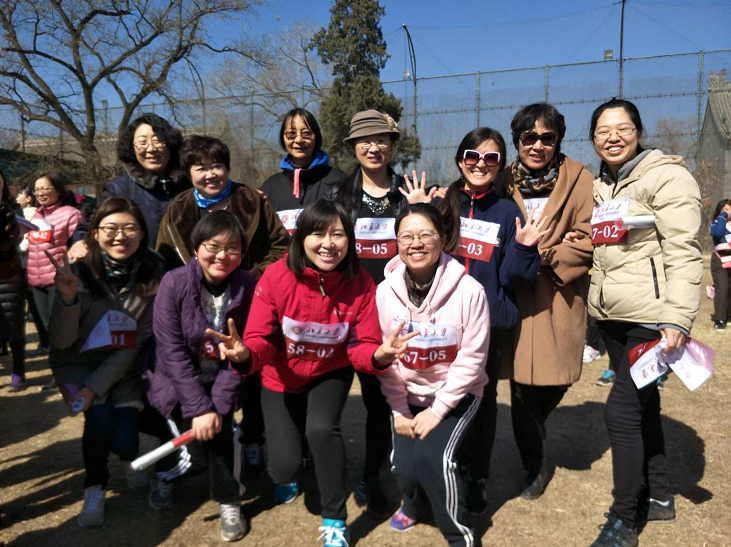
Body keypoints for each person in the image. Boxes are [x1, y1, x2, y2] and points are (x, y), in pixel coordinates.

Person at [209, 200, 418, 547]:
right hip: (280, 377)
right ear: (301, 237)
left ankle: (335, 519)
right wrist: (245, 354)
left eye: (338, 234)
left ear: (350, 240)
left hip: (329, 372)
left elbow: (361, 346)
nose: (328, 244)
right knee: (284, 468)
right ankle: (296, 461)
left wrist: (378, 355)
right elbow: (261, 339)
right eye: (318, 233)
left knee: (321, 429)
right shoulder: (276, 276)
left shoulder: (361, 282)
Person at [586, 98, 702, 547]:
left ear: (638, 131)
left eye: (623, 128)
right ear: (593, 138)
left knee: (620, 411)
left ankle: (624, 518)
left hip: (651, 320)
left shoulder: (667, 176)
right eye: (602, 131)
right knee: (643, 408)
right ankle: (659, 497)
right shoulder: (599, 184)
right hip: (613, 317)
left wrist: (677, 317)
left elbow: (683, 250)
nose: (612, 137)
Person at [326, 109, 439, 517]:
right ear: (353, 147)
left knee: (381, 404)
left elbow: (432, 245)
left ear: (392, 145)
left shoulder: (408, 193)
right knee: (329, 399)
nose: (373, 147)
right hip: (347, 311)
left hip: (396, 316)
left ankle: (372, 476)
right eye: (364, 141)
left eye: (381, 140)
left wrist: (423, 211)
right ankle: (315, 467)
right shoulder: (337, 195)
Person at [155, 134, 288, 478]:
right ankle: (207, 437)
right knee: (198, 371)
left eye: (217, 165)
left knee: (251, 370)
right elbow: (165, 256)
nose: (210, 174)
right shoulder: (178, 209)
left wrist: (255, 275)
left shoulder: (251, 200)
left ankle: (254, 438)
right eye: (200, 167)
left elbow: (281, 245)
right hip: (196, 304)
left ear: (227, 168)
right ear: (188, 173)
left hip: (250, 299)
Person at [437, 127, 544, 513]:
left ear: (500, 165)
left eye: (491, 158)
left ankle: (476, 477)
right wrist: (416, 211)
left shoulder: (508, 211)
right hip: (443, 321)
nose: (480, 164)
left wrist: (525, 247)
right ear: (460, 160)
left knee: (482, 402)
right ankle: (446, 465)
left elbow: (514, 278)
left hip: (488, 324)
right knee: (443, 396)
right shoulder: (442, 205)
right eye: (472, 155)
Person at [376, 203, 489, 546]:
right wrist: (399, 410)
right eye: (407, 236)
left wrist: (438, 411)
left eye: (426, 235)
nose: (416, 243)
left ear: (442, 238)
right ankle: (414, 504)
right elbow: (386, 358)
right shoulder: (384, 292)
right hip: (407, 394)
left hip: (457, 393)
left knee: (433, 460)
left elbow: (472, 360)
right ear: (397, 242)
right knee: (404, 467)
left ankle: (459, 535)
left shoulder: (470, 291)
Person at [46, 197, 163, 527]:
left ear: (142, 233)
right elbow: (61, 342)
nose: (120, 236)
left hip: (122, 366)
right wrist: (68, 298)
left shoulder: (152, 275)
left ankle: (129, 458)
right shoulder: (76, 272)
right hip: (77, 363)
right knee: (99, 418)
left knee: (125, 440)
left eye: (130, 228)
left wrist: (96, 386)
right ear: (94, 233)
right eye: (110, 228)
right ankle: (94, 486)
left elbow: (133, 344)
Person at [498, 103, 594, 499]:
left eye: (547, 138)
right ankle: (533, 465)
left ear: (558, 141)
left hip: (560, 296)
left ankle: (533, 436)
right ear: (517, 140)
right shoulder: (501, 180)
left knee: (561, 376)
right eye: (529, 137)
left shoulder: (580, 179)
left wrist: (548, 254)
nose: (538, 145)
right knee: (521, 387)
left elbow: (590, 237)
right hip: (516, 297)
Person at [146, 210, 256, 542]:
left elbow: (243, 351)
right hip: (178, 382)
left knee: (225, 434)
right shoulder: (174, 282)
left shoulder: (247, 286)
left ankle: (229, 500)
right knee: (192, 453)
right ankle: (163, 475)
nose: (222, 256)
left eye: (232, 248)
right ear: (196, 247)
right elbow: (171, 350)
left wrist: (217, 407)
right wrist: (199, 408)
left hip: (223, 379)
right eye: (213, 246)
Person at [67, 113, 188, 260]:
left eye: (158, 141)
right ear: (132, 148)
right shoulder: (119, 188)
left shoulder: (190, 183)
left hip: (188, 271)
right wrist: (80, 240)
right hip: (141, 270)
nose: (151, 148)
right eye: (142, 142)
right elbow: (95, 224)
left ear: (170, 144)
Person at [26, 172, 85, 373]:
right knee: (45, 326)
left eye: (45, 188)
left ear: (58, 190)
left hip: (59, 280)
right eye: (37, 189)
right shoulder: (35, 215)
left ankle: (66, 369)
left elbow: (78, 246)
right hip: (36, 280)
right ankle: (57, 369)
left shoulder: (71, 214)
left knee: (61, 327)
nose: (40, 193)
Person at [259, 108, 345, 228]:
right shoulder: (270, 187)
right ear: (283, 138)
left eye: (306, 133)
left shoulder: (340, 181)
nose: (299, 140)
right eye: (291, 134)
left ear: (316, 136)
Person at [1, 169, 27, 391]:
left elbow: (17, 239)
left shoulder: (12, 210)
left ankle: (18, 371)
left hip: (8, 275)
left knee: (14, 323)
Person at [709, 198, 731, 331]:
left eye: (727, 209)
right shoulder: (716, 223)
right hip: (719, 260)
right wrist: (723, 216)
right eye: (722, 209)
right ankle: (720, 320)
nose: (725, 211)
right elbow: (717, 233)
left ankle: (729, 316)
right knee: (722, 288)